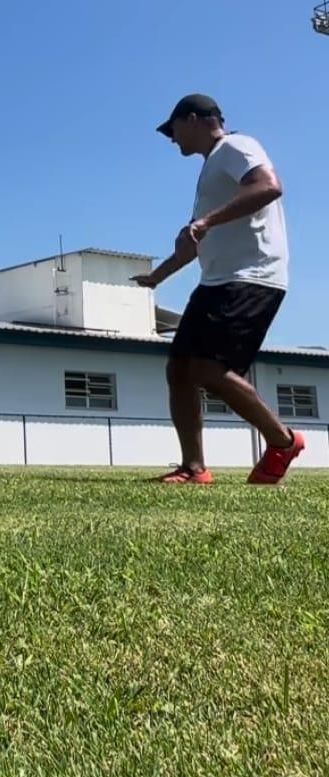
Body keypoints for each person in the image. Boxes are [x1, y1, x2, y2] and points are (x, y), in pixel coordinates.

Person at [131, 93, 303, 485]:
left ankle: (283, 440)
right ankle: (194, 469)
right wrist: (158, 276)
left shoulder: (236, 146)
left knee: (210, 369)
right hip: (216, 282)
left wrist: (206, 221)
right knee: (179, 370)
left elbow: (269, 186)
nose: (171, 138)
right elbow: (194, 242)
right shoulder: (211, 170)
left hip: (251, 277)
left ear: (193, 119)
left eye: (172, 130)